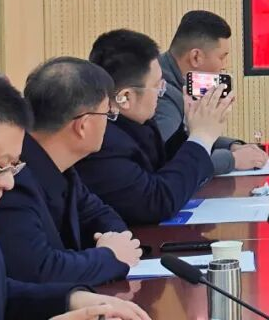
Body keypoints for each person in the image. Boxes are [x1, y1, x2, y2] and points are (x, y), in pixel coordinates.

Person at [0, 74, 150, 320]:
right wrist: (107, 257)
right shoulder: (17, 190)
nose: (8, 182)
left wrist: (73, 299)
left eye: (12, 166)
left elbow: (1, 294)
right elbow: (35, 270)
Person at [76, 30, 236, 225]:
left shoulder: (140, 123)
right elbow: (157, 202)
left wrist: (192, 127)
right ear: (125, 97)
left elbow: (168, 167)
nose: (162, 93)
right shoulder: (102, 141)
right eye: (157, 86)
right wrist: (201, 137)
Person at [152, 11, 266, 174]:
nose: (224, 66)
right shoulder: (164, 93)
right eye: (222, 57)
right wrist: (233, 160)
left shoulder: (178, 81)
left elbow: (188, 140)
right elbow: (171, 162)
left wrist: (231, 146)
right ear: (196, 57)